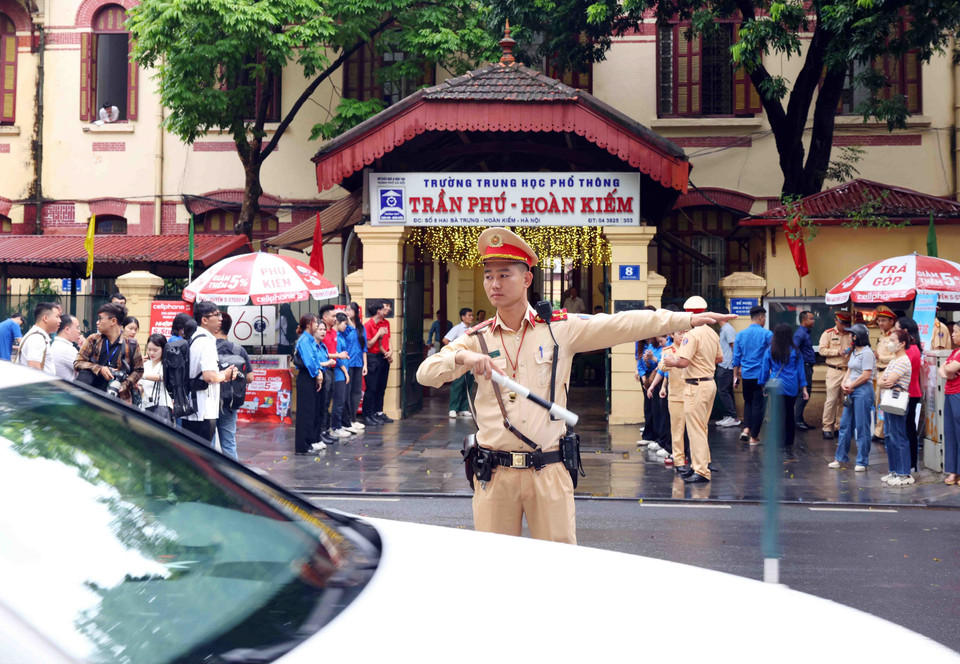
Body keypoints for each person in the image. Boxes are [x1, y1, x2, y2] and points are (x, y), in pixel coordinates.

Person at [418, 226, 734, 543]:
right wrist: (462, 359)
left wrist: (686, 320)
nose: (494, 284)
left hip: (549, 471)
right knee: (498, 574)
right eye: (488, 275)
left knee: (560, 569)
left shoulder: (559, 328)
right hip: (494, 474)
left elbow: (622, 324)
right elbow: (426, 374)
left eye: (504, 274)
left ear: (526, 279)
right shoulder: (476, 338)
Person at [662, 295, 725, 484]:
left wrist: (673, 361)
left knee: (696, 429)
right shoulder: (712, 333)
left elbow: (683, 361)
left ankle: (701, 470)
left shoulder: (691, 334)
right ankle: (700, 464)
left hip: (696, 385)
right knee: (701, 427)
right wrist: (703, 362)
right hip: (709, 383)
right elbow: (719, 358)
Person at [183, 302, 237, 444]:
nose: (220, 319)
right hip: (203, 410)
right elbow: (209, 376)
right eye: (216, 315)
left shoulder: (194, 338)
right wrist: (225, 375)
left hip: (192, 408)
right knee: (201, 456)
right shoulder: (206, 342)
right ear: (204, 320)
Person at [829, 323, 875, 472]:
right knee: (845, 425)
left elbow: (866, 375)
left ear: (857, 336)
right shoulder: (855, 351)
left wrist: (852, 385)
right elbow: (849, 369)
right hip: (851, 389)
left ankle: (862, 460)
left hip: (862, 390)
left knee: (862, 426)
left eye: (852, 334)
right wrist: (844, 383)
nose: (850, 337)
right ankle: (840, 457)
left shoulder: (867, 353)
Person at [74, 303, 143, 399]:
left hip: (118, 400)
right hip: (90, 398)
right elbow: (78, 363)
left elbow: (139, 370)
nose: (97, 322)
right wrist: (100, 369)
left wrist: (125, 384)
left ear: (113, 321)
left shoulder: (131, 344)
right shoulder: (93, 339)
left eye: (100, 318)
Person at [759, 323, 808, 450]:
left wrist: (763, 384)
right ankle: (788, 441)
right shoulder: (795, 351)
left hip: (776, 387)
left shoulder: (770, 350)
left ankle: (778, 441)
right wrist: (804, 388)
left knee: (777, 414)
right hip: (792, 386)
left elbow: (765, 368)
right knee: (789, 413)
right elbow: (800, 370)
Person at [215, 312, 255, 461]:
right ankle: (232, 476)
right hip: (230, 401)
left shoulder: (207, 347)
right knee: (229, 444)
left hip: (209, 401)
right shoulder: (239, 350)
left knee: (208, 444)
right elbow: (250, 377)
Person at [877, 329, 913, 486]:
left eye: (892, 340)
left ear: (902, 343)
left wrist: (883, 380)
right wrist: (882, 380)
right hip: (888, 401)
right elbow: (880, 380)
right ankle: (893, 470)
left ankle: (904, 473)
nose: (889, 343)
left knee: (899, 436)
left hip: (897, 402)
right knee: (890, 437)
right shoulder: (893, 361)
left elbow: (889, 380)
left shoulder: (903, 361)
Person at [733, 305, 773, 446]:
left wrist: (735, 377)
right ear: (761, 317)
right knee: (759, 406)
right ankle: (754, 437)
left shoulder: (740, 335)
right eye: (765, 318)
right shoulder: (768, 335)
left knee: (748, 403)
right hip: (761, 377)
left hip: (746, 375)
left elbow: (736, 358)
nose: (765, 321)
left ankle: (746, 429)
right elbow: (770, 356)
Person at [654, 330, 690, 470]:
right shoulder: (668, 350)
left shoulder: (690, 347)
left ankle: (691, 455)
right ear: (672, 335)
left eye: (684, 332)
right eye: (679, 333)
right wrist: (663, 386)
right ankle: (678, 455)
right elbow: (663, 368)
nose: (682, 335)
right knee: (677, 427)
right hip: (675, 393)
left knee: (693, 427)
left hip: (692, 392)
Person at [294, 314, 325, 455]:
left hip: (311, 376)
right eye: (315, 323)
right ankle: (302, 446)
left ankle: (309, 442)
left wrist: (318, 372)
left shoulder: (310, 340)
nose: (318, 326)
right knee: (305, 413)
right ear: (309, 324)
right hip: (307, 377)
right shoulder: (305, 340)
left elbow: (316, 358)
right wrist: (317, 373)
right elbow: (309, 361)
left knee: (312, 411)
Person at [819, 311, 854, 440]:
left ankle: (840, 427)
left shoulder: (851, 334)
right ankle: (827, 427)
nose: (844, 325)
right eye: (842, 323)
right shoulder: (828, 333)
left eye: (846, 323)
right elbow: (822, 350)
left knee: (843, 401)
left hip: (848, 370)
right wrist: (836, 351)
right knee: (831, 400)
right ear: (835, 321)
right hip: (834, 370)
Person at [896, 317, 924, 471]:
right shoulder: (912, 349)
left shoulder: (910, 350)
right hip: (910, 392)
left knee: (907, 430)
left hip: (909, 393)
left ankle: (911, 464)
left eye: (897, 328)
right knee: (907, 428)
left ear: (905, 332)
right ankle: (909, 463)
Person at [363, 299, 395, 425]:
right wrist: (378, 333)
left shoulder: (386, 323)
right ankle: (368, 414)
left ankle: (378, 412)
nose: (387, 310)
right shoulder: (368, 325)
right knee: (372, 387)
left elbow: (388, 339)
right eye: (384, 308)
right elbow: (369, 344)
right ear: (378, 311)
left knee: (381, 386)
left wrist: (390, 351)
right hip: (372, 357)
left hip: (383, 356)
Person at [644, 335, 672, 464]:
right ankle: (663, 442)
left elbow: (665, 369)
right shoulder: (666, 348)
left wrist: (663, 386)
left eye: (662, 341)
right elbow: (663, 369)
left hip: (675, 385)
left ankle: (670, 447)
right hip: (665, 383)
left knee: (669, 418)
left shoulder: (673, 347)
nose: (660, 344)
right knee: (662, 414)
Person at [871, 305, 898, 443]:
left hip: (890, 373)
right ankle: (879, 432)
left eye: (883, 320)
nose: (880, 323)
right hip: (879, 372)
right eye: (879, 321)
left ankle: (885, 432)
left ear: (891, 321)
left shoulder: (895, 336)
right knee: (879, 403)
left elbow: (897, 356)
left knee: (887, 404)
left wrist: (879, 357)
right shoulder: (882, 336)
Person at [938, 323, 960, 485]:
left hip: (958, 394)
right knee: (950, 433)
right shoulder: (954, 352)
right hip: (949, 393)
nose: (952, 335)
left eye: (955, 332)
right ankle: (953, 471)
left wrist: (947, 369)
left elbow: (950, 368)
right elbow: (942, 370)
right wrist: (948, 370)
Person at [443, 307, 475, 418]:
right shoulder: (457, 328)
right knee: (457, 384)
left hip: (470, 361)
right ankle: (453, 408)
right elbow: (446, 340)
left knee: (468, 384)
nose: (471, 317)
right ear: (463, 317)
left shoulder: (472, 329)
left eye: (472, 315)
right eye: (469, 315)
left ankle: (463, 408)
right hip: (459, 361)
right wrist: (454, 354)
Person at [341, 302, 367, 433]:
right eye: (346, 309)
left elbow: (364, 348)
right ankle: (347, 419)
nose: (347, 311)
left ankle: (353, 418)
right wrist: (348, 322)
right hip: (347, 363)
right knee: (347, 391)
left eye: (350, 310)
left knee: (356, 392)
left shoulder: (361, 328)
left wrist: (365, 365)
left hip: (358, 363)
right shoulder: (345, 327)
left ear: (356, 312)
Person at [16, 302, 60, 375]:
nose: (60, 321)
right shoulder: (37, 338)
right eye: (57, 316)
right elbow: (34, 366)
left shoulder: (37, 335)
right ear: (45, 318)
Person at [328, 312, 354, 438]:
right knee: (338, 401)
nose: (345, 326)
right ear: (337, 322)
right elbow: (337, 357)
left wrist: (347, 319)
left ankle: (339, 425)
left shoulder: (341, 334)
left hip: (343, 372)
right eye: (343, 323)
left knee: (342, 400)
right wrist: (345, 372)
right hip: (339, 373)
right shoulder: (336, 337)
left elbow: (351, 330)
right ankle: (336, 427)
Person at [636, 337, 663, 449]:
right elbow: (639, 360)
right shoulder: (641, 344)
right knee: (648, 406)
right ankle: (649, 435)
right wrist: (643, 376)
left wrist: (650, 360)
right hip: (647, 376)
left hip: (656, 375)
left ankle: (657, 437)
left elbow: (659, 364)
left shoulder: (659, 344)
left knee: (657, 408)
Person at [714, 306, 740, 427]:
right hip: (724, 364)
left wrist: (735, 365)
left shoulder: (728, 329)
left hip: (726, 365)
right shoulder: (724, 329)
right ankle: (730, 416)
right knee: (727, 391)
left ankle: (733, 416)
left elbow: (734, 347)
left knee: (722, 391)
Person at [140, 333, 173, 421]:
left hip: (162, 406)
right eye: (149, 349)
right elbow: (141, 386)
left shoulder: (167, 364)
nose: (151, 353)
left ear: (163, 349)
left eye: (155, 350)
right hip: (145, 405)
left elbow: (162, 377)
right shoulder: (146, 364)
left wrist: (142, 375)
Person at [793, 311, 816, 430]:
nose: (814, 321)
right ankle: (797, 420)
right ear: (804, 320)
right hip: (804, 367)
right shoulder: (800, 334)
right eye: (811, 319)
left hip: (807, 366)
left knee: (805, 392)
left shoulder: (806, 333)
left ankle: (800, 418)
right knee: (804, 392)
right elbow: (794, 350)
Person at [51, 314, 83, 381]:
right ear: (67, 329)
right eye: (77, 328)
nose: (79, 331)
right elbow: (86, 369)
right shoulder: (65, 349)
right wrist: (85, 348)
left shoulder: (57, 345)